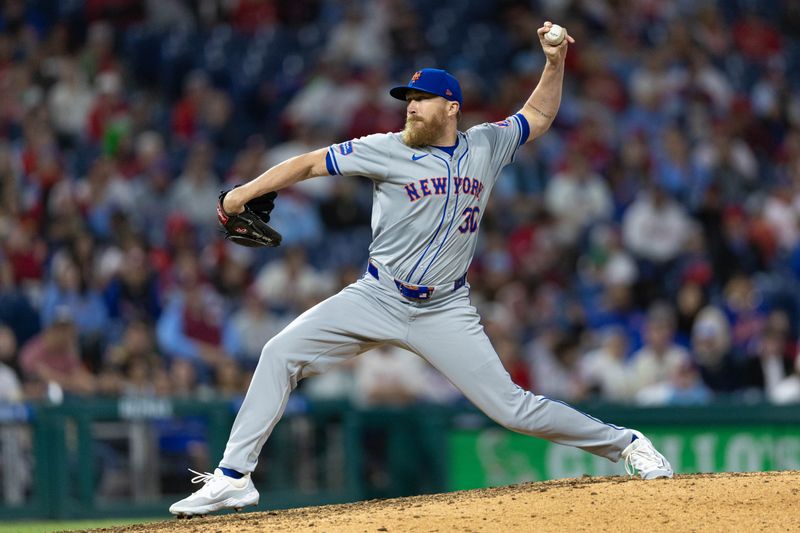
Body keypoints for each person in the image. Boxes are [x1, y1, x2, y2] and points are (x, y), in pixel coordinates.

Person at [170, 22, 673, 517]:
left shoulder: (485, 145)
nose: (410, 105)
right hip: (377, 295)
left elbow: (537, 115)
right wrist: (242, 193)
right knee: (279, 352)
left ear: (450, 106)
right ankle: (233, 479)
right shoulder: (386, 148)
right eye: (407, 98)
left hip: (445, 308)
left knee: (512, 409)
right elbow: (308, 163)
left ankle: (628, 445)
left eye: (422, 97)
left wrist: (554, 62)